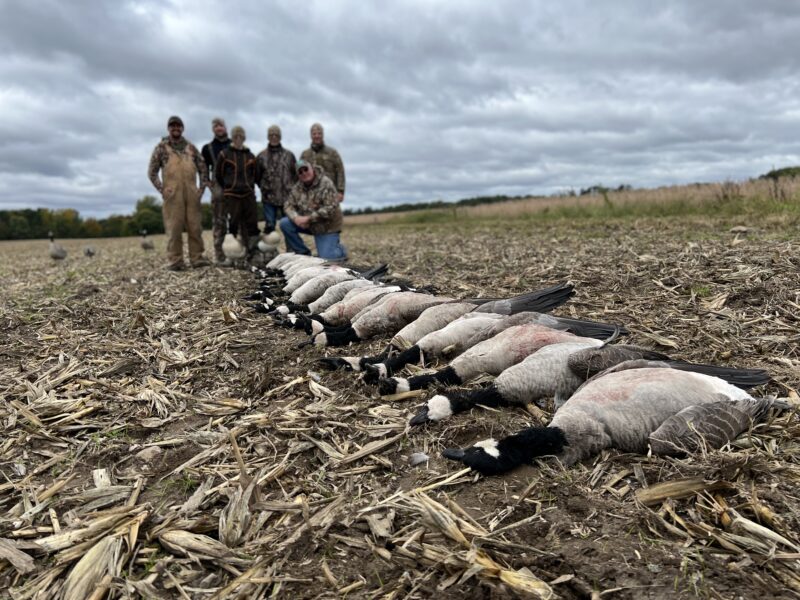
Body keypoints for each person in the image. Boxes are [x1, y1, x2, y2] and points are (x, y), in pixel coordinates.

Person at [147, 115, 209, 270]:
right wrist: (162, 189)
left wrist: (201, 189)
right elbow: (152, 172)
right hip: (172, 195)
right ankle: (176, 261)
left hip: (192, 194)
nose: (175, 128)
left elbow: (203, 169)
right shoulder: (161, 148)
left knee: (195, 227)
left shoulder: (191, 148)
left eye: (178, 126)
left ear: (182, 128)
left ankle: (197, 258)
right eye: (172, 126)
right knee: (174, 228)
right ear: (168, 128)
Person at [280, 159, 347, 260]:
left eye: (306, 169)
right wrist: (296, 218)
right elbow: (288, 205)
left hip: (327, 227)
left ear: (312, 168)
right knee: (285, 223)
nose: (304, 173)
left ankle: (341, 250)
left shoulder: (326, 183)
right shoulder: (297, 187)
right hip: (310, 225)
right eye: (300, 172)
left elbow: (330, 209)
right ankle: (303, 253)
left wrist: (308, 219)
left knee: (327, 258)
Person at [214, 126, 260, 262]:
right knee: (232, 224)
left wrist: (249, 185)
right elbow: (218, 174)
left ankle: (252, 252)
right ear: (232, 138)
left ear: (244, 138)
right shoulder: (224, 154)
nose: (238, 139)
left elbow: (256, 174)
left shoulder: (251, 156)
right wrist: (229, 186)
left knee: (252, 224)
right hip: (232, 195)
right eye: (236, 136)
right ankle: (232, 255)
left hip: (248, 194)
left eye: (241, 136)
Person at [256, 125, 297, 232]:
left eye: (276, 135)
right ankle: (271, 249)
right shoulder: (261, 156)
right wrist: (265, 188)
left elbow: (296, 175)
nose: (274, 137)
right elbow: (256, 176)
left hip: (287, 198)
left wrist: (291, 189)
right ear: (268, 137)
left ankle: (290, 249)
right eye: (271, 135)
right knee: (269, 228)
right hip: (268, 198)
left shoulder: (289, 155)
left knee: (289, 226)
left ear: (280, 137)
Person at [201, 117, 231, 264]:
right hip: (218, 189)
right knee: (219, 223)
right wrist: (209, 184)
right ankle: (220, 256)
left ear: (225, 127)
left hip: (234, 187)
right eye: (216, 126)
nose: (219, 128)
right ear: (213, 129)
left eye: (221, 125)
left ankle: (238, 254)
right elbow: (203, 169)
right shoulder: (208, 148)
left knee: (237, 222)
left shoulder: (234, 144)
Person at [300, 123, 345, 203]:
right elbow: (300, 175)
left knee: (333, 215)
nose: (317, 136)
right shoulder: (305, 155)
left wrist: (340, 191)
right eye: (314, 134)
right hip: (311, 196)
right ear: (311, 136)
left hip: (331, 194)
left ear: (323, 135)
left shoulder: (332, 153)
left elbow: (340, 171)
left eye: (319, 133)